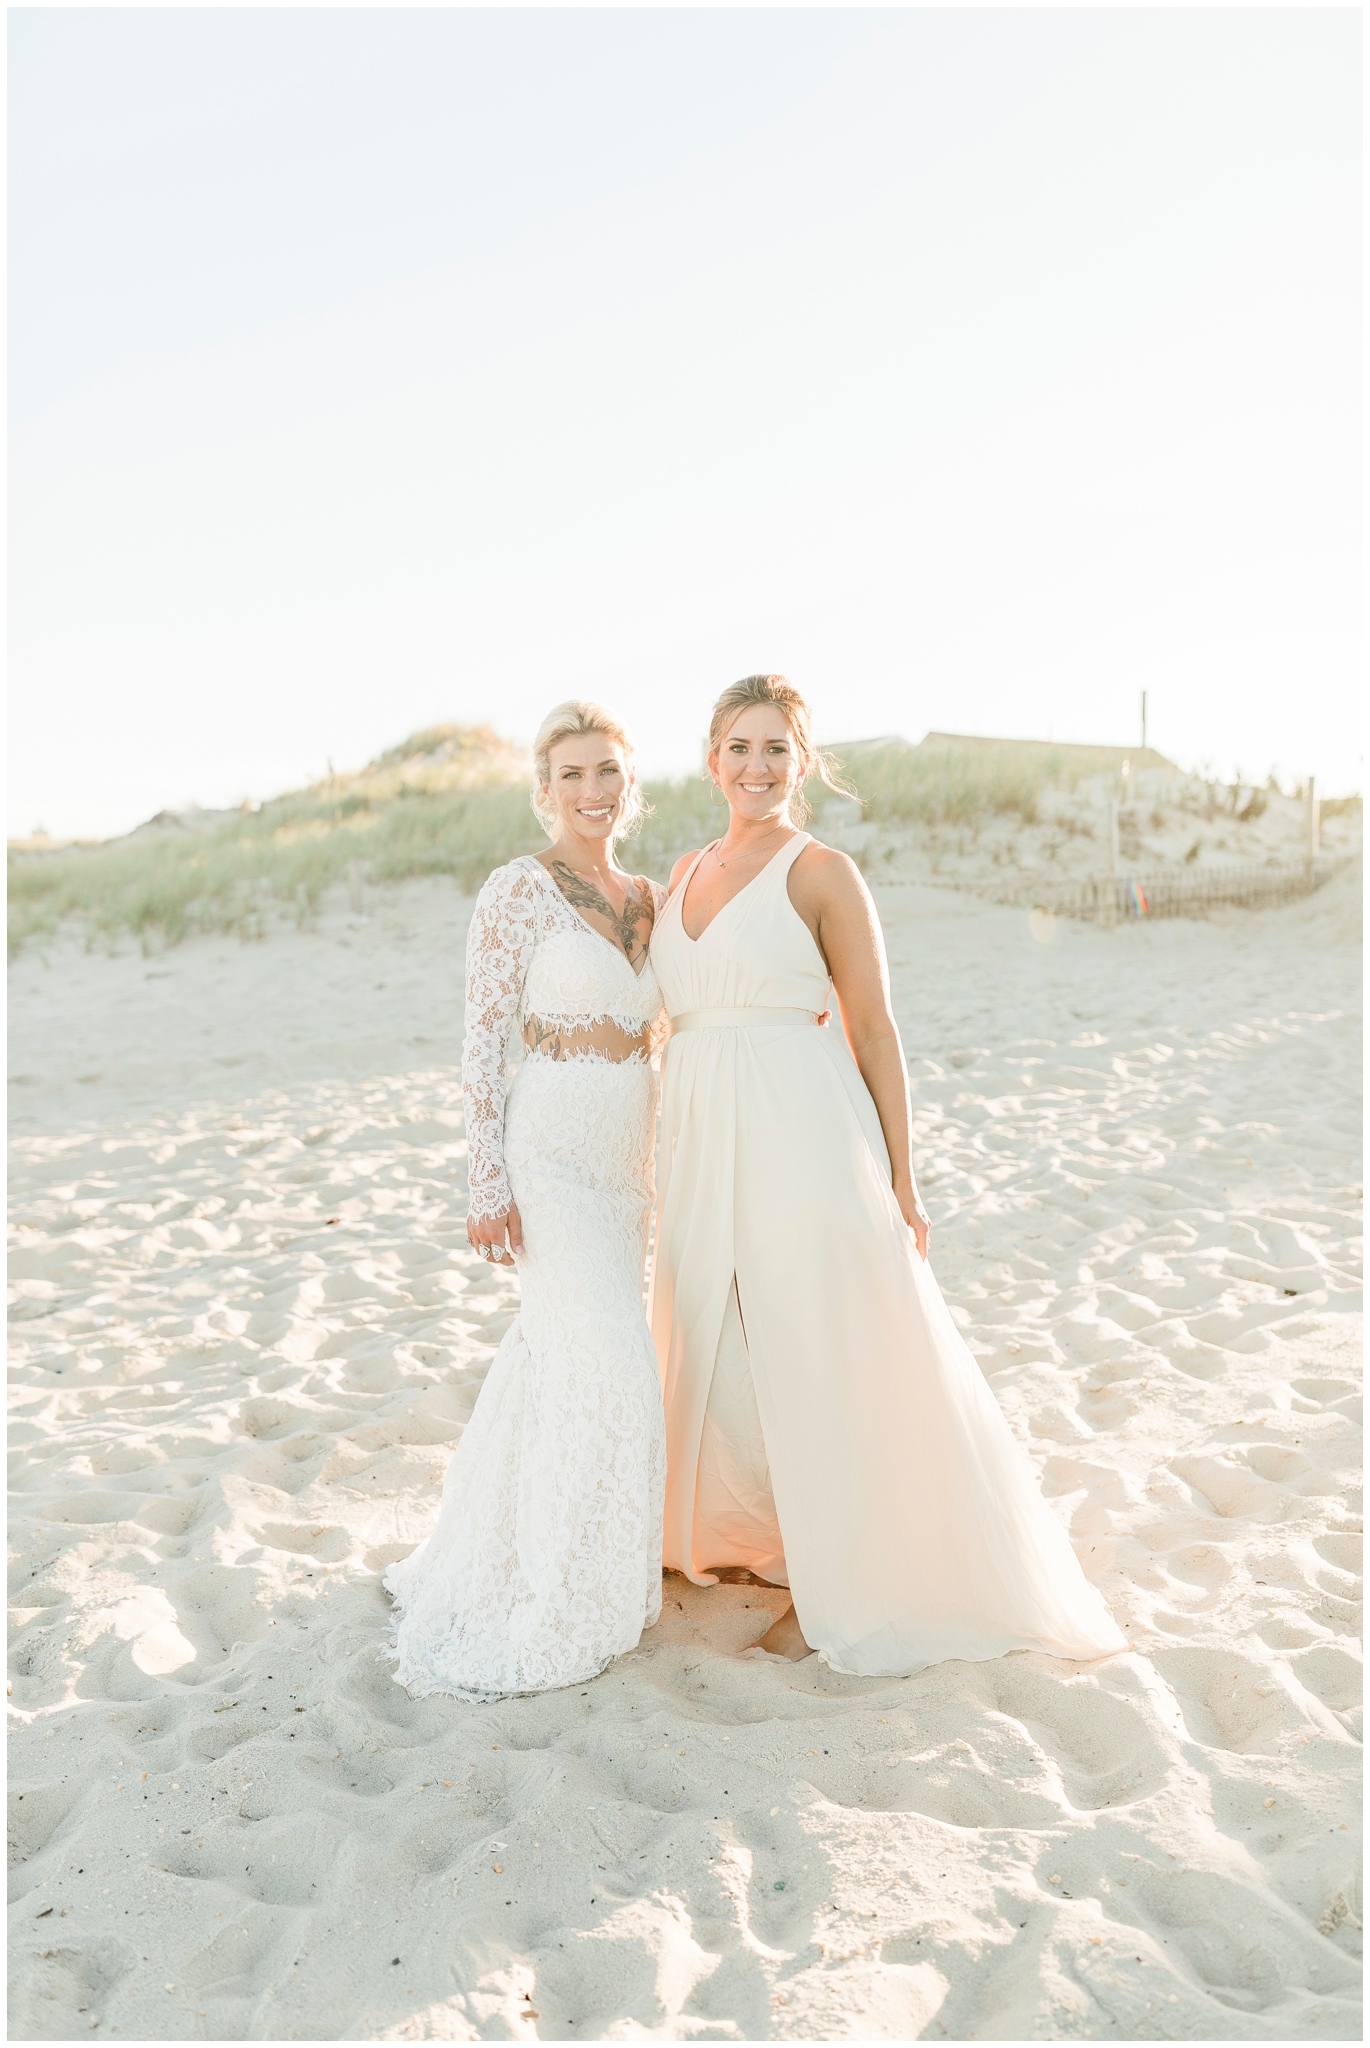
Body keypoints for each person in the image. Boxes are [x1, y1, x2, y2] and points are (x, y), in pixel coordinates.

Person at [648, 674, 1128, 1675]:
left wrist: (902, 1176)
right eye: (739, 746)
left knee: (816, 1330)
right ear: (709, 758)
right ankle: (750, 1538)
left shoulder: (822, 873)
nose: (757, 766)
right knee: (713, 1336)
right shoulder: (681, 869)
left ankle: (851, 1561)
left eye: (777, 747)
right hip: (700, 1131)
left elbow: (873, 1027)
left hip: (801, 1127)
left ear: (803, 761)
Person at [385, 701, 668, 1701]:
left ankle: (519, 1547)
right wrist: (483, 1176)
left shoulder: (650, 893)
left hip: (626, 1164)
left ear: (628, 786)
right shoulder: (514, 891)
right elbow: (480, 1038)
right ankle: (562, 1592)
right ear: (545, 791)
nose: (592, 789)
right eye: (572, 774)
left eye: (608, 771)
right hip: (546, 1154)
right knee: (612, 1363)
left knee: (558, 1361)